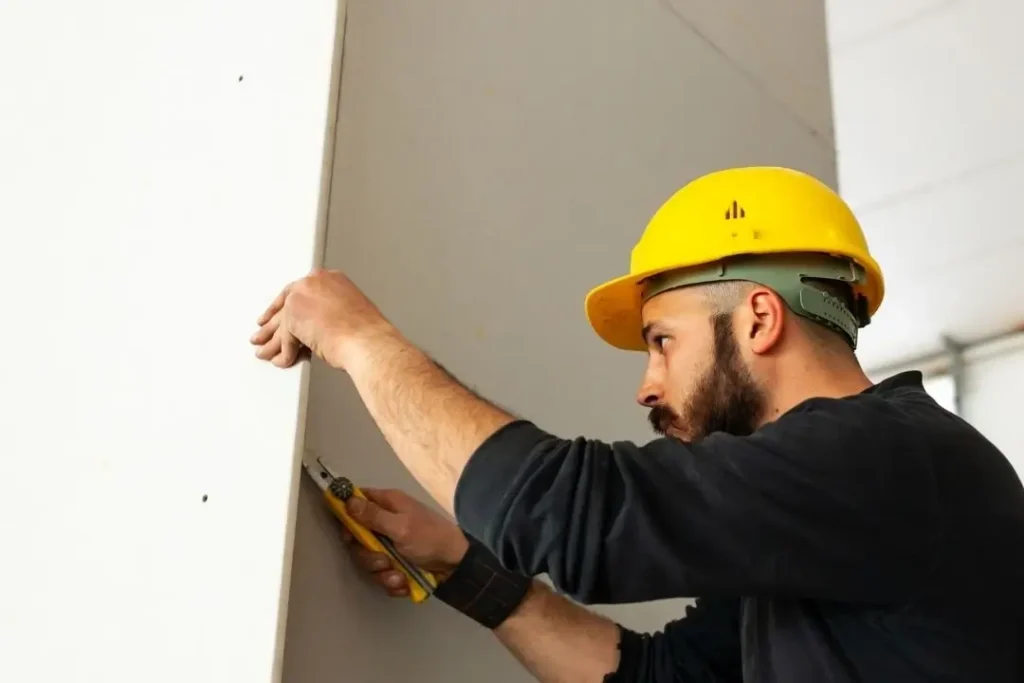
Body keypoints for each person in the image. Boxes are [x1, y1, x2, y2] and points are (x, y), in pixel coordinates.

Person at [251, 166, 1024, 682]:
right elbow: (660, 678)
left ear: (758, 318)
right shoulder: (826, 514)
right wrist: (465, 569)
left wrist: (361, 340)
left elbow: (565, 514)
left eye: (662, 342)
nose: (647, 385)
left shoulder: (886, 459)